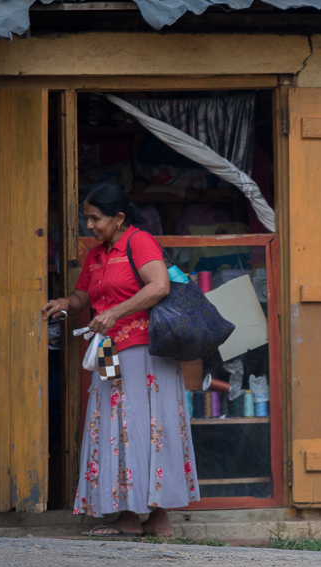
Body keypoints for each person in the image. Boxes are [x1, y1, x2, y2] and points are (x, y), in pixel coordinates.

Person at [42, 183, 200, 536]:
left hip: (146, 355)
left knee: (150, 429)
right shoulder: (96, 255)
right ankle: (128, 515)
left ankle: (159, 518)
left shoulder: (139, 241)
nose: (90, 226)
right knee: (118, 430)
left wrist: (115, 313)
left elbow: (158, 286)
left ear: (119, 217)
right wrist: (65, 304)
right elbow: (84, 296)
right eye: (87, 219)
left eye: (96, 218)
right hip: (111, 353)